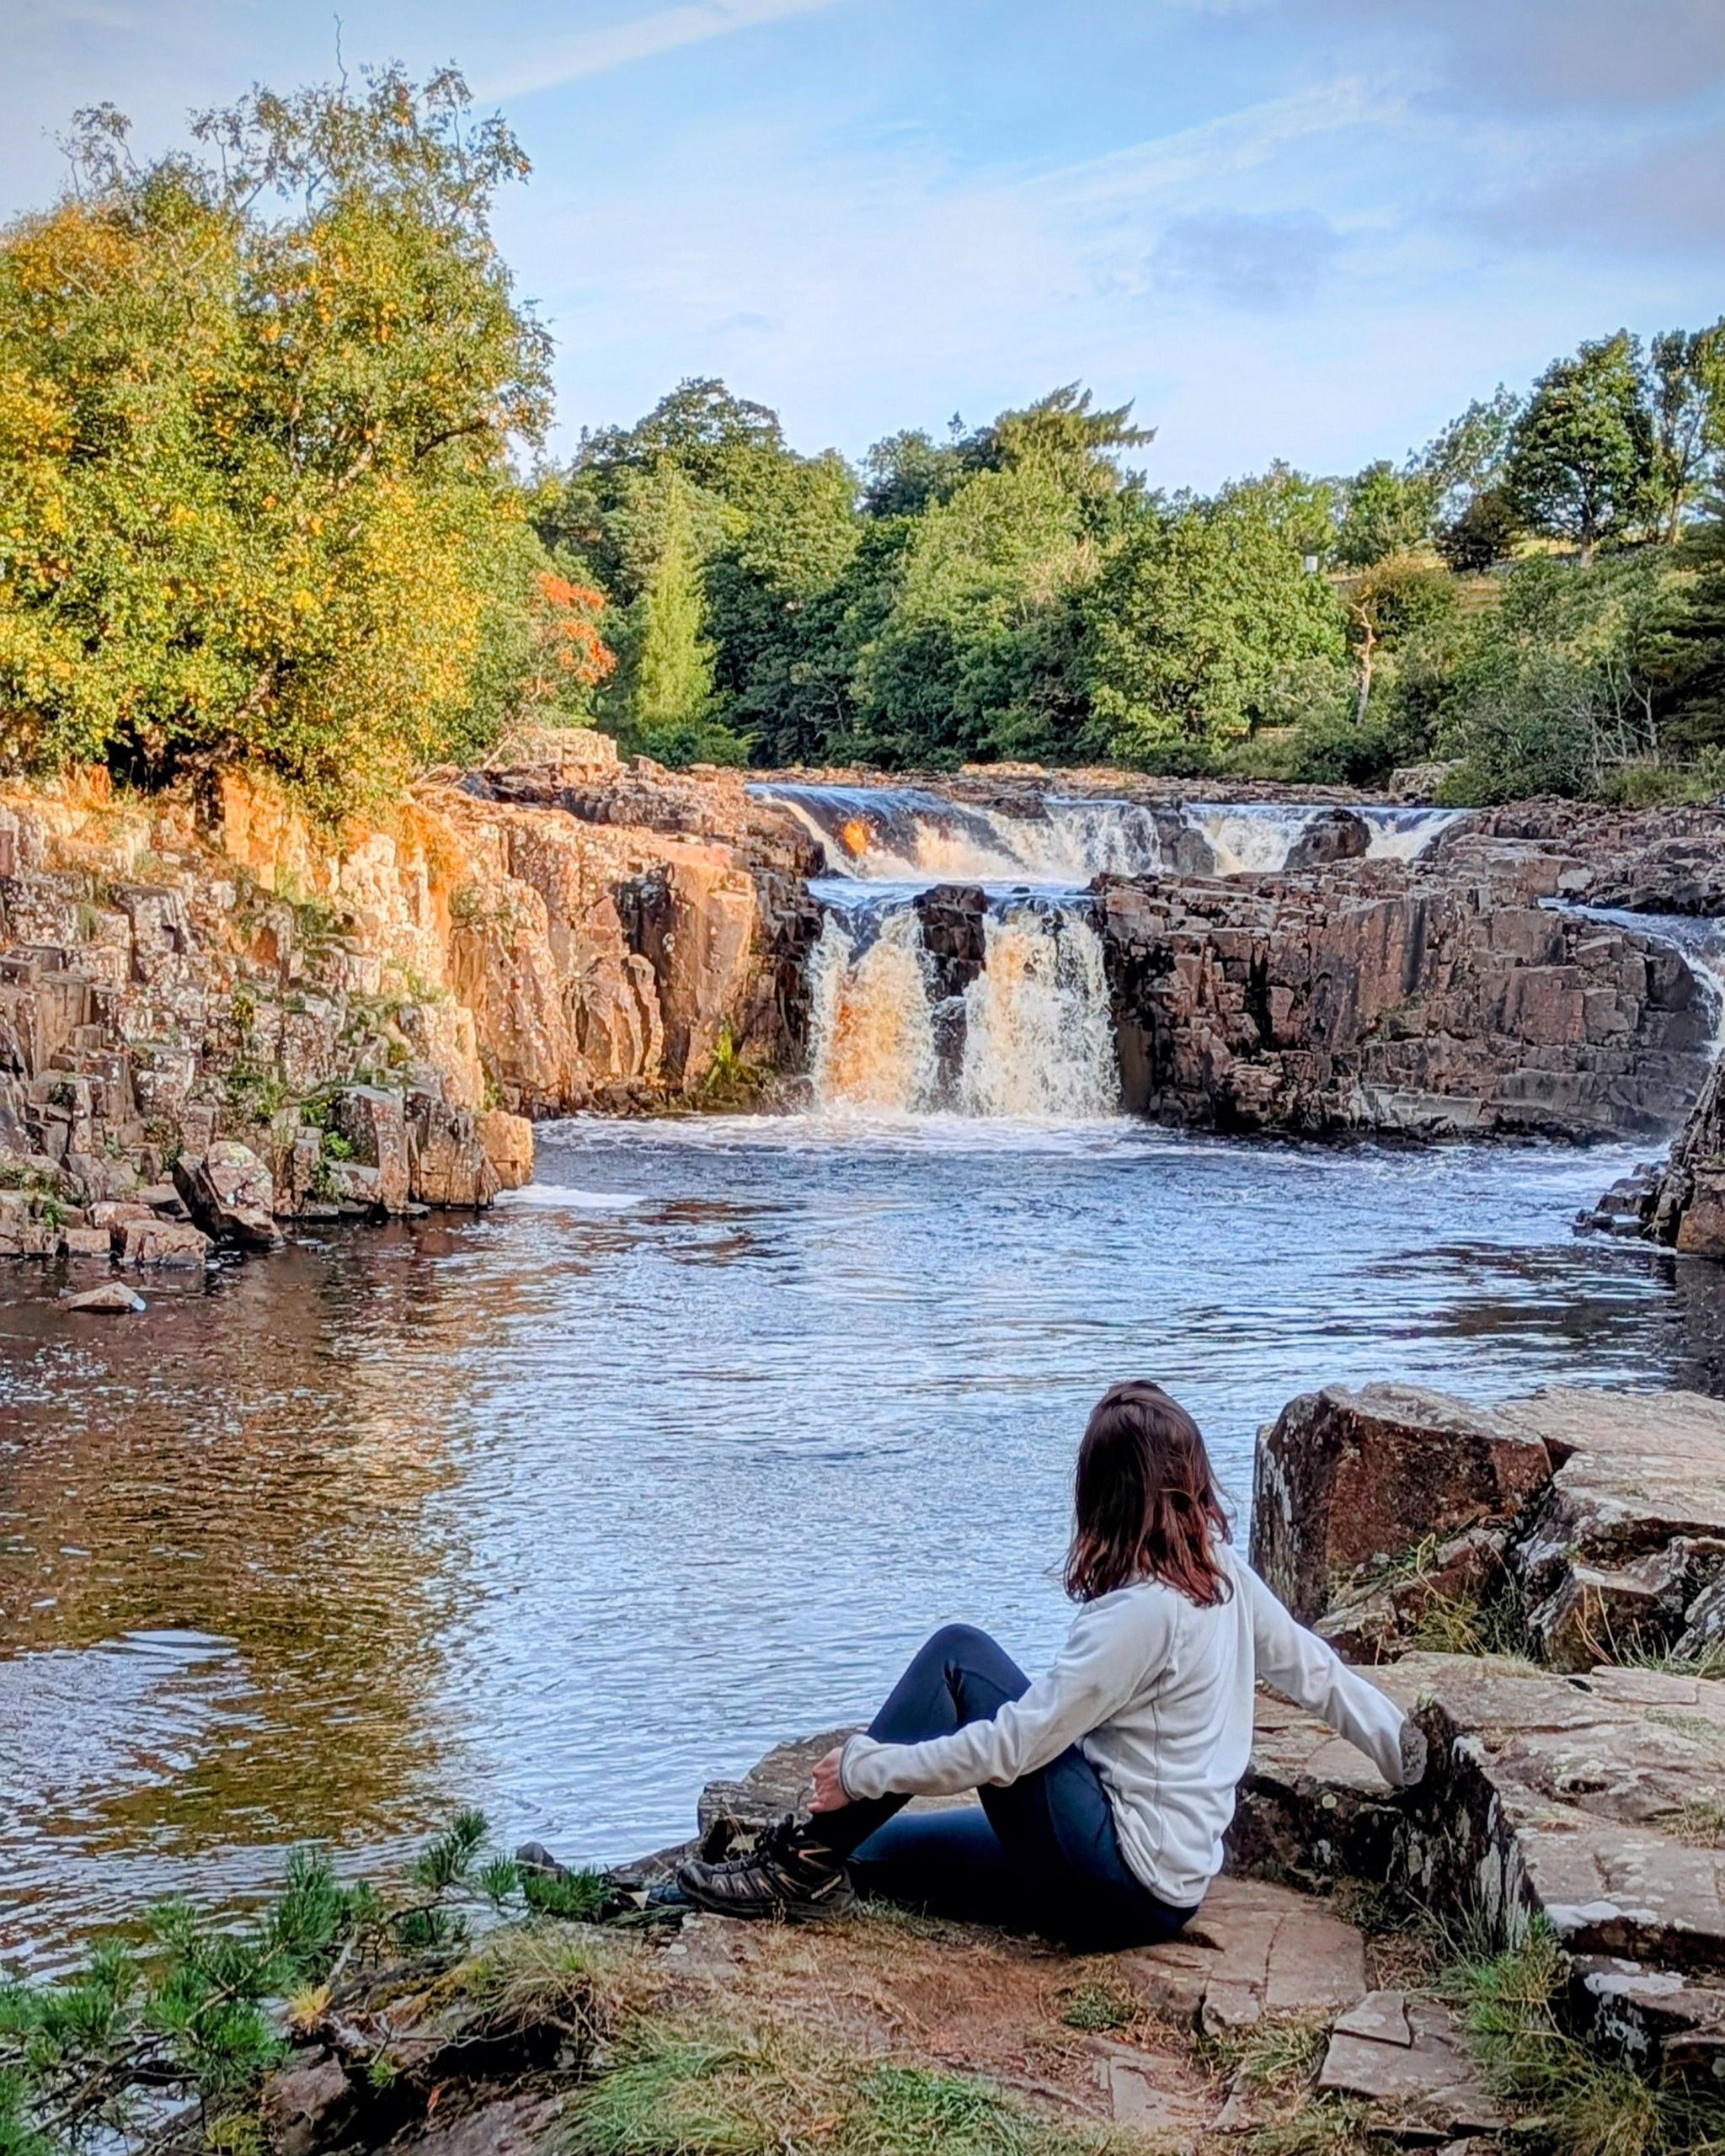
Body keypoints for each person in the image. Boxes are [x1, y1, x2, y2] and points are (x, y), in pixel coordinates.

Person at [676, 1380, 1426, 1948]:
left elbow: (1013, 1751)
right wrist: (1404, 1753)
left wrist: (865, 1769)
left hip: (1122, 1882)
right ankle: (805, 1866)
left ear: (1103, 1494)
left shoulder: (1141, 1614)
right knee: (875, 1855)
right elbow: (1317, 1672)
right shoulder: (1216, 1570)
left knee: (957, 1657)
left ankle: (797, 1860)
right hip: (1167, 1880)